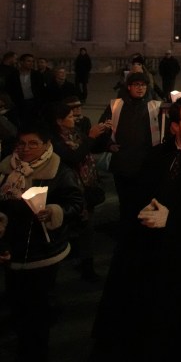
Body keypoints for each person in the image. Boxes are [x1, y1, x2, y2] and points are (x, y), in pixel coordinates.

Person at [92, 97, 181, 361]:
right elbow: (141, 196)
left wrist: (174, 219)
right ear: (174, 126)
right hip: (157, 258)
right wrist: (146, 212)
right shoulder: (157, 156)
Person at [0, 123, 84, 362]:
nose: (26, 149)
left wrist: (54, 211)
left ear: (46, 145)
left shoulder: (59, 171)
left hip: (43, 252)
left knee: (38, 309)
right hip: (12, 252)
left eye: (33, 143)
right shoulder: (7, 169)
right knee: (16, 302)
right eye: (22, 144)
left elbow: (76, 203)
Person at [49, 102, 110, 281]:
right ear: (59, 121)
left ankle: (81, 261)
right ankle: (84, 267)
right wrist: (90, 138)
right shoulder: (55, 140)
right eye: (69, 117)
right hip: (72, 188)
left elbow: (89, 149)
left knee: (84, 227)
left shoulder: (74, 133)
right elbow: (74, 157)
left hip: (86, 185)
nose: (74, 119)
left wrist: (103, 137)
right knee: (81, 227)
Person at [97, 72, 163, 225]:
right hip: (123, 164)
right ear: (129, 87)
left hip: (146, 164)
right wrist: (108, 145)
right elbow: (103, 128)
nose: (141, 88)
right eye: (137, 85)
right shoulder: (116, 105)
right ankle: (127, 231)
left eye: (144, 85)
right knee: (126, 202)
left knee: (145, 201)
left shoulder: (154, 106)